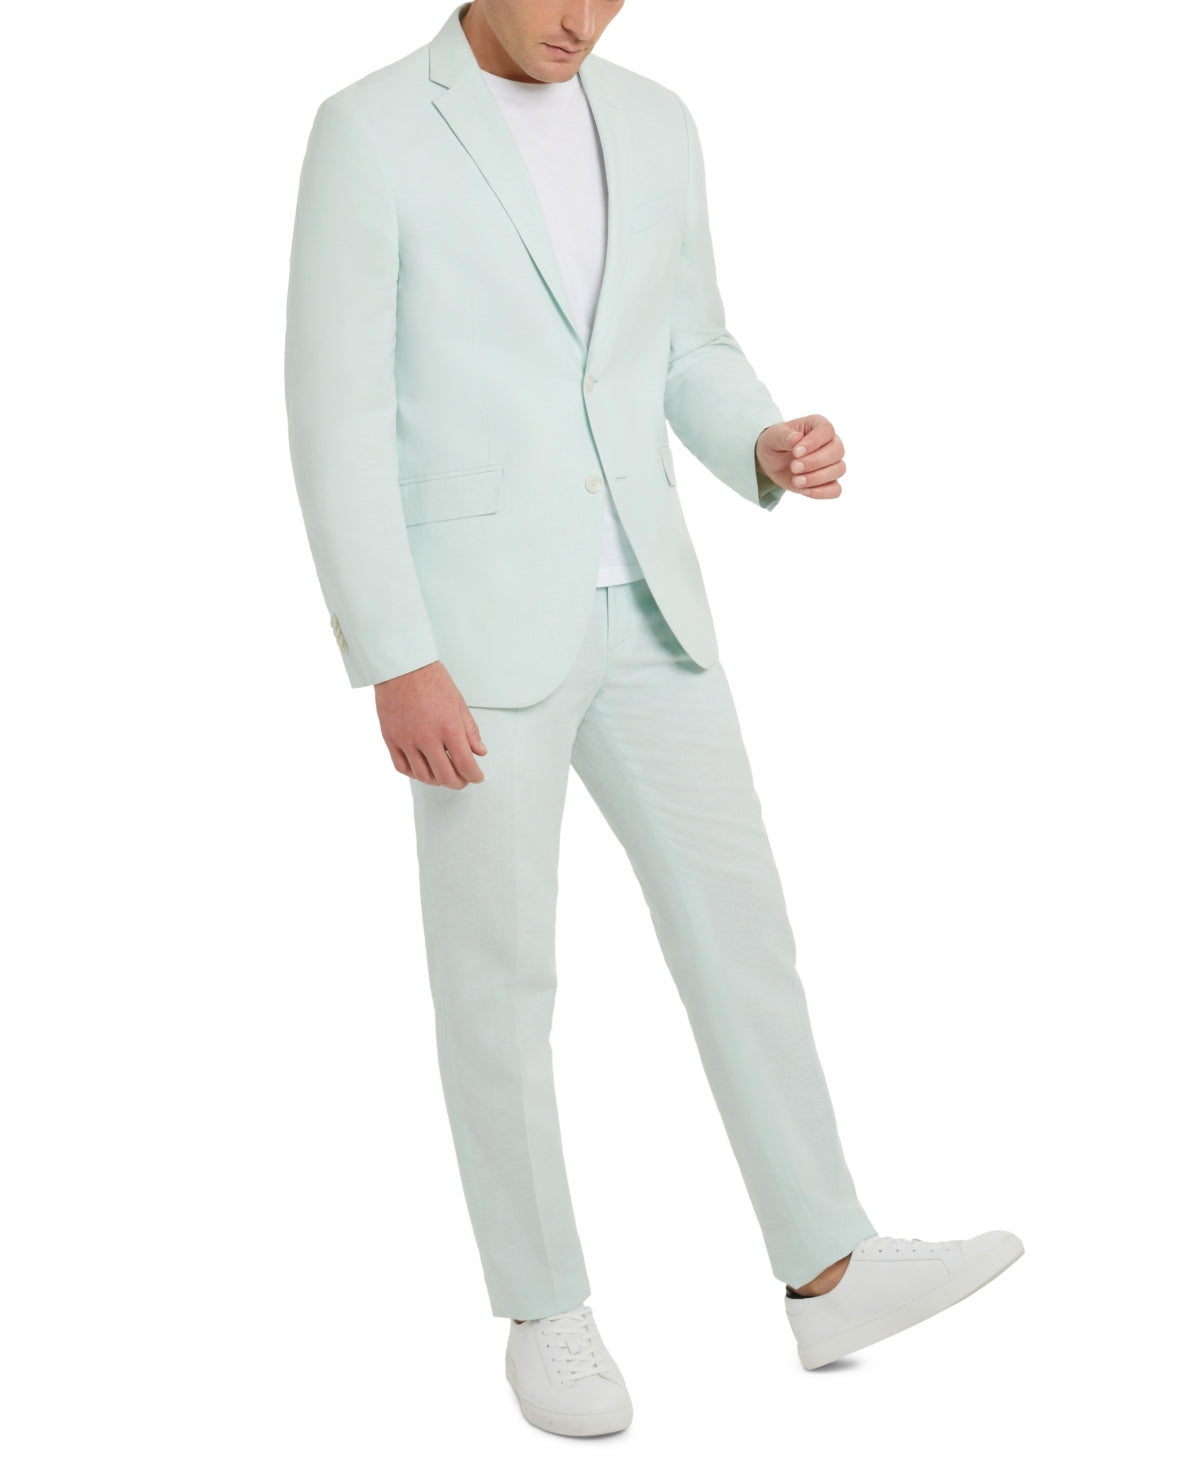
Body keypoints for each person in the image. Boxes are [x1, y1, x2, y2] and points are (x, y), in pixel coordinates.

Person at [284, 0, 1023, 1437]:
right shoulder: (368, 132)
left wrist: (762, 436)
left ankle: (830, 1266)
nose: (583, 19)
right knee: (501, 980)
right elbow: (334, 411)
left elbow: (688, 341)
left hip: (653, 604)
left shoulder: (657, 119)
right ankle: (545, 1305)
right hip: (471, 632)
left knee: (744, 933)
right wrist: (395, 654)